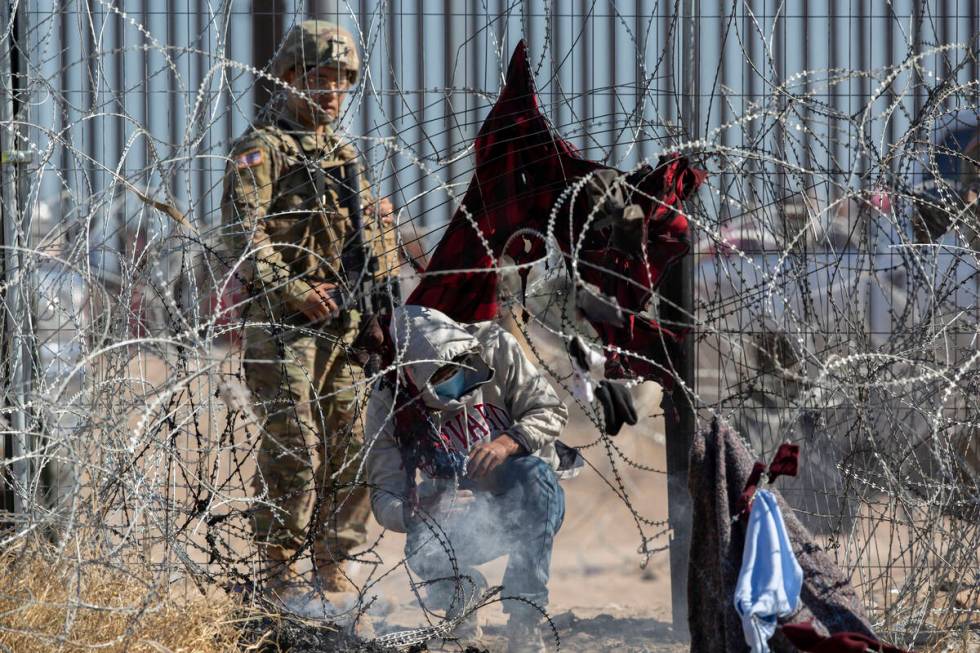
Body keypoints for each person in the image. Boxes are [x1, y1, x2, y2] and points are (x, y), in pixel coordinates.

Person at [220, 19, 398, 595]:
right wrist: (296, 290)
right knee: (295, 449)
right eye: (319, 78)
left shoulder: (343, 154)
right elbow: (243, 236)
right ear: (291, 77)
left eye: (341, 81)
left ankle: (333, 566)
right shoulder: (261, 149)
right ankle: (279, 575)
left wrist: (383, 244)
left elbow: (371, 247)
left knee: (350, 452)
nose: (330, 92)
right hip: (284, 327)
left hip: (343, 327)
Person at [365, 304, 574, 653]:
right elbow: (383, 495)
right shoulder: (389, 401)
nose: (460, 381)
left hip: (521, 500)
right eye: (445, 377)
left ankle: (525, 619)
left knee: (536, 478)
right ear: (416, 377)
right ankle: (462, 607)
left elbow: (550, 409)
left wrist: (508, 444)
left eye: (464, 368)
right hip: (455, 514)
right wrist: (420, 508)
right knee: (421, 546)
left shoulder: (495, 345)